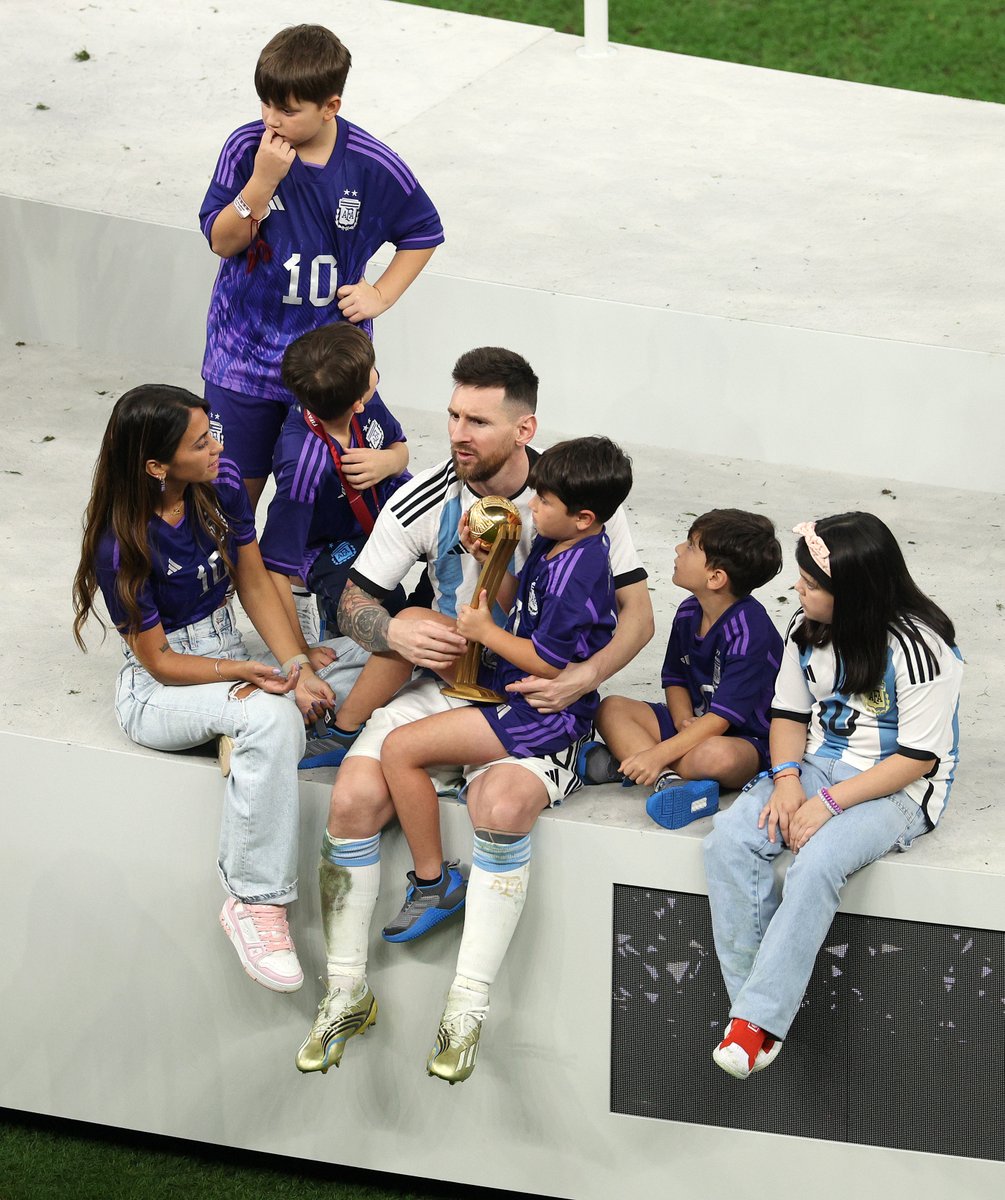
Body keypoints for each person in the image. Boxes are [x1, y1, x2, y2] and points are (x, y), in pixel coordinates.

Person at [293, 347, 654, 1083]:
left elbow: (638, 618)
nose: (458, 432)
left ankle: (466, 1007)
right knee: (355, 798)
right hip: (443, 690)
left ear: (524, 429)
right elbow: (354, 600)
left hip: (530, 696)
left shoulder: (574, 493)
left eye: (477, 421)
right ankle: (343, 992)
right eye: (453, 415)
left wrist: (575, 680)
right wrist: (390, 632)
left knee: (502, 799)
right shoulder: (422, 496)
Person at [72, 385, 338, 993]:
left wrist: (295, 661)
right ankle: (254, 901)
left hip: (227, 653)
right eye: (201, 442)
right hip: (160, 690)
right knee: (271, 717)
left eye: (211, 432)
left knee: (341, 665)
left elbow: (251, 580)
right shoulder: (122, 543)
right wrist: (244, 676)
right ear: (156, 466)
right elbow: (161, 661)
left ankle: (248, 730)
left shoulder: (219, 486)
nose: (219, 446)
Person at [702, 513, 963, 1078]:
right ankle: (755, 1011)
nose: (798, 589)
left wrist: (829, 804)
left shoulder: (921, 647)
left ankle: (756, 1021)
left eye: (812, 584)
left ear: (854, 594)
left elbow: (918, 758)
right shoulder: (806, 626)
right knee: (728, 840)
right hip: (820, 763)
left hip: (899, 787)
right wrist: (790, 780)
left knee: (817, 862)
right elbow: (790, 715)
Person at [379, 436, 632, 940]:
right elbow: (525, 600)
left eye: (542, 501)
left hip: (539, 710)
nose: (531, 506)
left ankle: (434, 882)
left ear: (583, 518)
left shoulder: (579, 573)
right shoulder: (557, 542)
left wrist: (486, 633)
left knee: (398, 749)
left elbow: (549, 661)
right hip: (513, 688)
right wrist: (493, 564)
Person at [198, 24, 443, 510]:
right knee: (226, 503)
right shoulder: (246, 149)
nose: (271, 119)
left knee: (318, 499)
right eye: (264, 104)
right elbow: (222, 242)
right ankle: (223, 584)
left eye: (287, 110)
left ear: (331, 106)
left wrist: (381, 294)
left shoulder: (372, 165)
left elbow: (423, 232)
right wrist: (261, 183)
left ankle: (302, 578)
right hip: (240, 361)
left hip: (326, 372)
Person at [579, 509, 783, 829]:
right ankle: (668, 781)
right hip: (694, 726)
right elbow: (674, 677)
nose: (677, 549)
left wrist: (658, 753)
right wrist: (680, 720)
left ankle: (631, 762)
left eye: (690, 546)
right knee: (610, 708)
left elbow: (722, 720)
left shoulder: (750, 632)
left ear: (715, 577)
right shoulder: (689, 611)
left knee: (717, 756)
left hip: (743, 741)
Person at [259, 322, 411, 744]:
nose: (377, 375)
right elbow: (274, 567)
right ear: (357, 400)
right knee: (386, 625)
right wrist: (300, 657)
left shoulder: (363, 398)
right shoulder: (301, 465)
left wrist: (389, 463)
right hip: (332, 548)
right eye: (372, 373)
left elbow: (400, 446)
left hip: (390, 508)